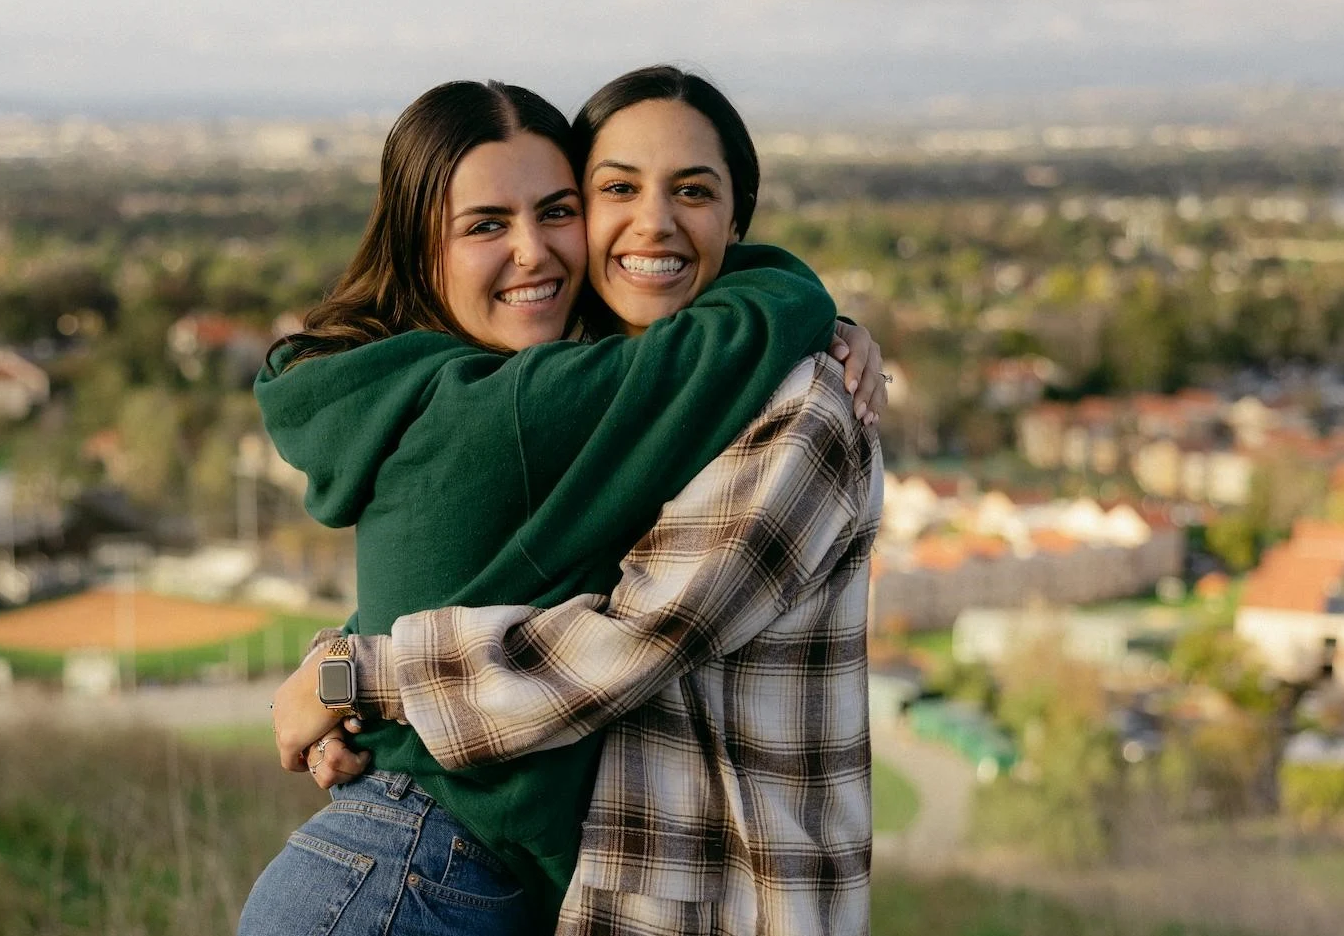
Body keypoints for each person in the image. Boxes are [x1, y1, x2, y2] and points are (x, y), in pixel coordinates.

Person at [241, 72, 881, 936]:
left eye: (693, 190)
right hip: (405, 879)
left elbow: (625, 635)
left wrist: (355, 676)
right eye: (617, 188)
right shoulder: (542, 404)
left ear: (739, 215)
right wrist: (349, 676)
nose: (652, 221)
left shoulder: (794, 407)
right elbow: (574, 622)